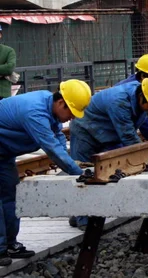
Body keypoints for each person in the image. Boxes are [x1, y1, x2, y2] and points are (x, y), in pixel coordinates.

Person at [68, 76, 148, 228]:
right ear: (141, 97)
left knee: (105, 171)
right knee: (83, 173)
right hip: (84, 131)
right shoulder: (119, 102)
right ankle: (83, 221)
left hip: (107, 132)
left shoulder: (146, 94)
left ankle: (79, 214)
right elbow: (128, 137)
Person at [0, 79, 92, 266]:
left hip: (4, 153)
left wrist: (74, 164)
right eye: (71, 113)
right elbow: (51, 148)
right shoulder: (35, 112)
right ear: (60, 103)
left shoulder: (49, 107)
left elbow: (57, 137)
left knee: (10, 196)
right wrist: (78, 173)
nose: (71, 119)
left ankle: (10, 244)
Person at [0, 26, 16, 101]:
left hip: (3, 94)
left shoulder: (9, 51)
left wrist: (5, 69)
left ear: (0, 35)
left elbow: (9, 68)